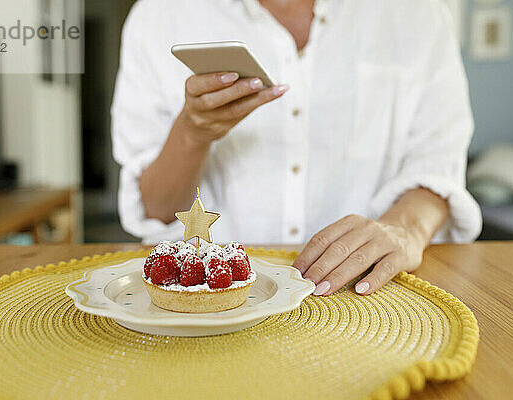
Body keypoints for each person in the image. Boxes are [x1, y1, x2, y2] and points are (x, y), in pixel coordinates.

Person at [111, 0, 482, 296]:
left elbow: (437, 164)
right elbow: (156, 208)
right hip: (212, 306)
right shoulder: (157, 15)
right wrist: (192, 133)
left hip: (365, 294)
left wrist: (404, 228)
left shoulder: (419, 13)